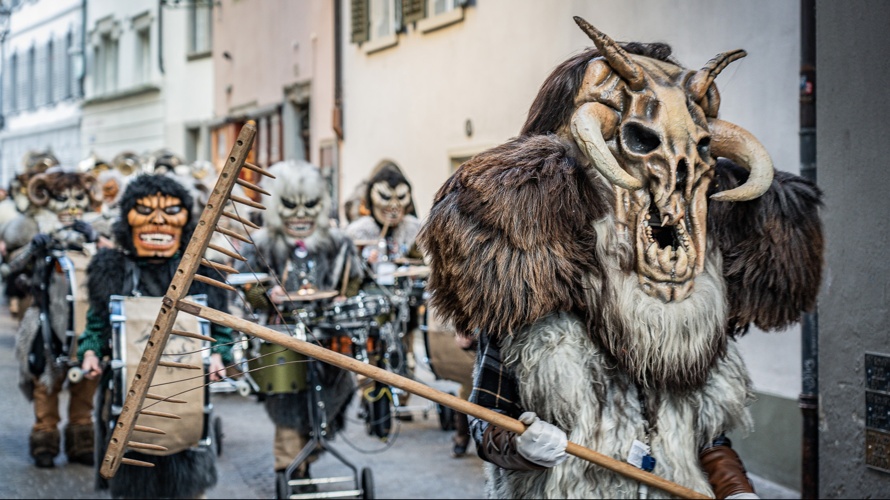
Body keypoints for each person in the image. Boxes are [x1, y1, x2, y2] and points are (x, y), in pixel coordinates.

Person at [418, 17, 824, 499]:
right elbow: (489, 423)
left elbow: (708, 437)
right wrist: (524, 446)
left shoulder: (694, 315)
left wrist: (735, 489)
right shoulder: (530, 308)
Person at [77, 174, 234, 499]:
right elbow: (96, 327)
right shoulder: (112, 270)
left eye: (170, 212)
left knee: (187, 485)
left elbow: (220, 329)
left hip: (185, 397)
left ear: (185, 220)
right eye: (146, 211)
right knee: (135, 484)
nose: (159, 222)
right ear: (128, 221)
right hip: (127, 399)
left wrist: (218, 354)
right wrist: (90, 353)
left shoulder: (202, 272)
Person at [237, 159, 363, 491]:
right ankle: (291, 467)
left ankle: (310, 451)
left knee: (335, 393)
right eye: (291, 205)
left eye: (310, 205)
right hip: (282, 338)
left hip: (328, 335)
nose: (300, 214)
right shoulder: (261, 244)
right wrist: (266, 295)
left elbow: (356, 281)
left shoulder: (338, 243)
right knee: (286, 400)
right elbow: (247, 286)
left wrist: (343, 297)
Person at [7, 168, 100, 469]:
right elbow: (11, 266)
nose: (71, 207)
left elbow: (116, 259)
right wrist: (33, 248)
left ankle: (81, 441)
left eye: (78, 198)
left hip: (88, 321)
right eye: (62, 199)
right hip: (46, 318)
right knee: (45, 383)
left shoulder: (95, 227)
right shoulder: (34, 228)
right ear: (47, 199)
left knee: (87, 384)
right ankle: (44, 441)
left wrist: (95, 239)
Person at [345, 161, 423, 415]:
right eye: (385, 198)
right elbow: (347, 276)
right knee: (371, 354)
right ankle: (370, 396)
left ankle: (402, 395)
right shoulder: (358, 231)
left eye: (400, 198)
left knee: (404, 348)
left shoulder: (414, 228)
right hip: (370, 305)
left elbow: (420, 262)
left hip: (403, 303)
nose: (393, 206)